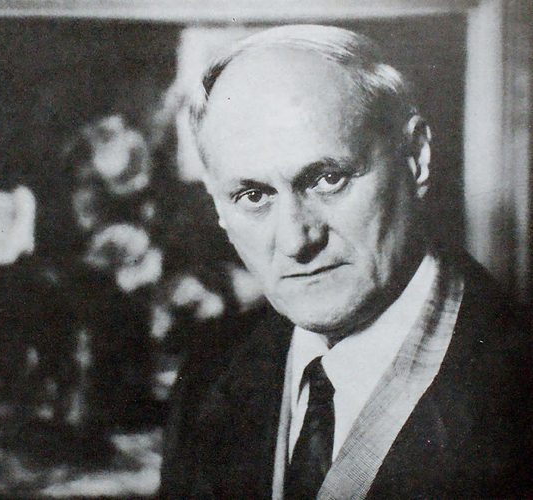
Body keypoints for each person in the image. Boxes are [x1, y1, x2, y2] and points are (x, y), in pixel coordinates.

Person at [159, 25, 533, 499]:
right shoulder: (209, 370)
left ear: (416, 158)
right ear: (217, 205)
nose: (296, 240)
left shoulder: (517, 389)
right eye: (253, 195)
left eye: (328, 179)